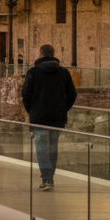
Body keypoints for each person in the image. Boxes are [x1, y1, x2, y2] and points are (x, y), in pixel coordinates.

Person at [22, 44, 77, 192]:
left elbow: (26, 95)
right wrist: (63, 109)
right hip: (56, 117)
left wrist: (32, 111)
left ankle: (47, 178)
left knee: (41, 148)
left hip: (39, 116)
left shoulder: (33, 72)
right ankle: (49, 178)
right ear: (53, 54)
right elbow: (72, 95)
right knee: (53, 147)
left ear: (40, 54)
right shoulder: (63, 73)